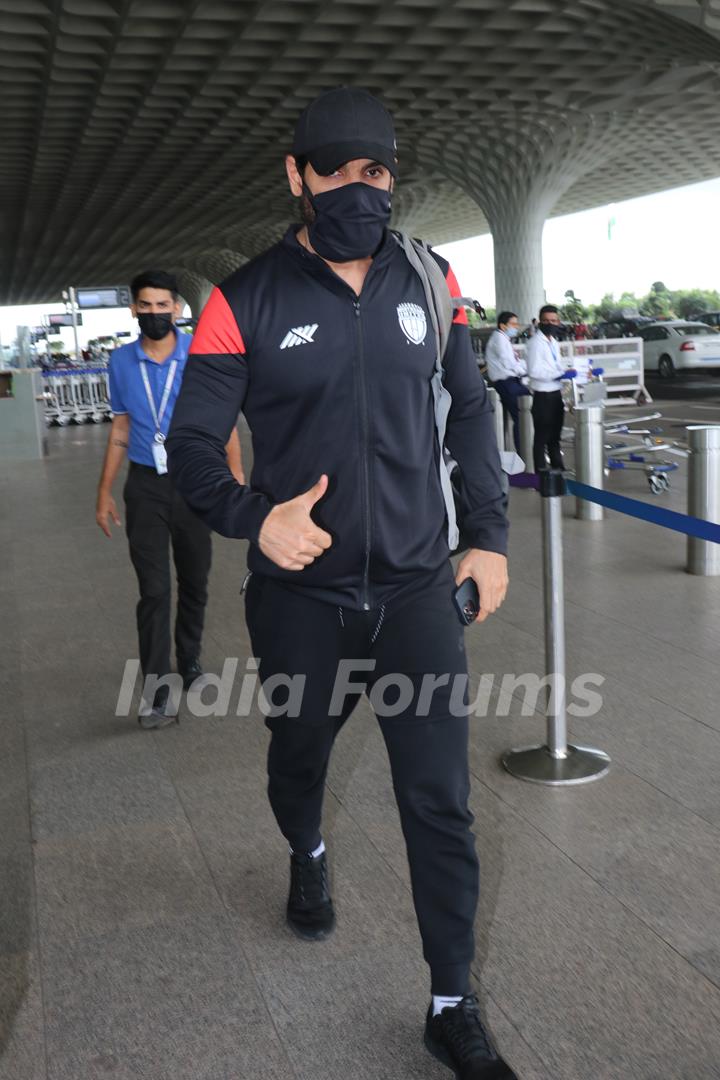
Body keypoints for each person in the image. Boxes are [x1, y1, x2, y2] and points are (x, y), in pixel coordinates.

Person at [167, 87, 517, 1079]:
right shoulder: (246, 298)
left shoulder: (431, 277)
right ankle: (306, 850)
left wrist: (485, 536)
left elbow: (470, 410)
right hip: (302, 598)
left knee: (440, 797)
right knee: (298, 756)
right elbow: (192, 441)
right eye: (337, 171)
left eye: (377, 171)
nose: (360, 189)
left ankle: (450, 999)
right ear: (296, 175)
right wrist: (251, 518)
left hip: (415, 591)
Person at [95, 270, 244, 728]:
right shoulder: (120, 362)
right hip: (144, 487)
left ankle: (191, 657)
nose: (156, 313)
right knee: (155, 590)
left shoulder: (198, 356)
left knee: (195, 581)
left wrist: (235, 477)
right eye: (147, 305)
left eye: (164, 306)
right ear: (134, 309)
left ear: (178, 309)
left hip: (195, 481)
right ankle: (158, 694)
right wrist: (104, 491)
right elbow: (120, 426)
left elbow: (224, 422)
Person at [525, 303, 571, 472]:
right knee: (542, 437)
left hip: (555, 393)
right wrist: (556, 374)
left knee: (555, 436)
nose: (550, 324)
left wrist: (565, 372)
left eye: (553, 320)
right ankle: (541, 473)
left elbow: (556, 365)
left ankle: (558, 467)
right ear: (539, 322)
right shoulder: (535, 343)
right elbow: (534, 370)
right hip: (543, 395)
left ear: (558, 322)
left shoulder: (554, 342)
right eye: (546, 321)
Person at [484, 311, 530, 452]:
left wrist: (526, 368)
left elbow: (515, 361)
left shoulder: (503, 339)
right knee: (521, 417)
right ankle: (524, 452)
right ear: (503, 326)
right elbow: (508, 362)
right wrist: (525, 372)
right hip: (506, 383)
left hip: (511, 381)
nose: (516, 327)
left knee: (524, 415)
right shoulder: (499, 339)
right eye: (513, 324)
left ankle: (526, 450)